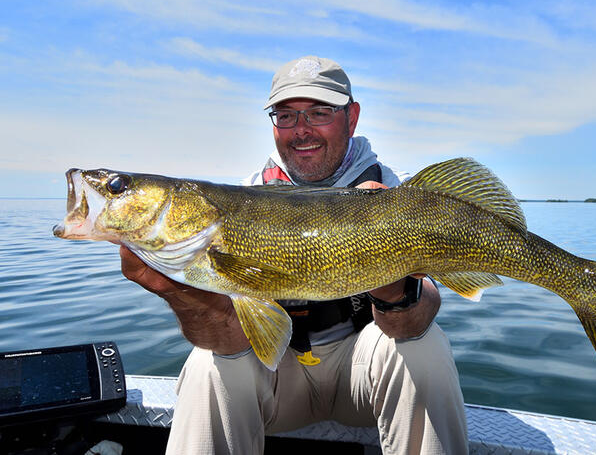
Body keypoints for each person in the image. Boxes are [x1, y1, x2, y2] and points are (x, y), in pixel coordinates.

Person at [120, 56, 468, 455]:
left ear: (351, 118)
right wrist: (177, 290)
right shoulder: (242, 200)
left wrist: (393, 285)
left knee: (424, 348)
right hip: (279, 380)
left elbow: (420, 317)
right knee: (207, 367)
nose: (301, 130)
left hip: (362, 374)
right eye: (285, 116)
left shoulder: (397, 193)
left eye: (319, 112)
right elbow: (228, 338)